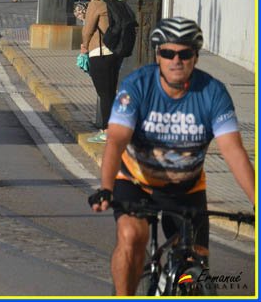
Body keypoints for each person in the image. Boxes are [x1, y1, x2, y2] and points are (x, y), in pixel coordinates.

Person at [89, 17, 254, 296]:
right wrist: (106, 188)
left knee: (196, 265)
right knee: (132, 238)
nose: (176, 60)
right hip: (136, 182)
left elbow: (234, 152)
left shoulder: (213, 93)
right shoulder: (137, 87)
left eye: (184, 53)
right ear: (158, 55)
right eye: (168, 53)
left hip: (186, 188)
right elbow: (116, 140)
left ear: (196, 57)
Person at [79, 0, 124, 143]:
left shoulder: (96, 4)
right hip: (114, 53)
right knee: (111, 92)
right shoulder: (115, 3)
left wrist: (84, 46)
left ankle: (107, 130)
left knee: (103, 93)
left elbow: (88, 29)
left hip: (99, 52)